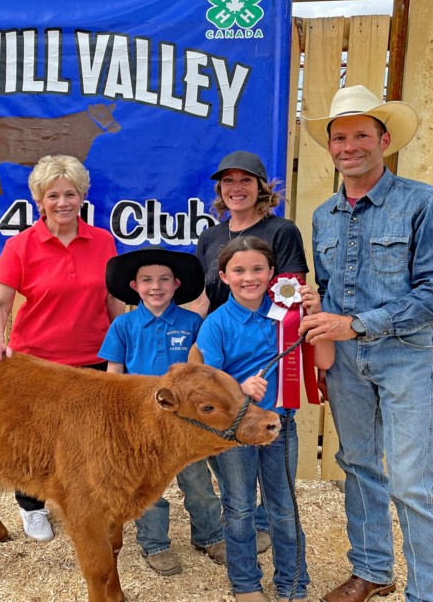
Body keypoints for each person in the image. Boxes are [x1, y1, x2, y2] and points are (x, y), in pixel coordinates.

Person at [299, 84, 433, 602]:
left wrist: (357, 324)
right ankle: (372, 570)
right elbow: (329, 290)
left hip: (403, 356)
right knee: (359, 466)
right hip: (345, 361)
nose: (350, 147)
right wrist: (316, 307)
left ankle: (430, 593)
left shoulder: (426, 204)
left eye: (361, 136)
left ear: (384, 140)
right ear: (330, 146)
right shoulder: (324, 216)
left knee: (413, 481)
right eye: (340, 137)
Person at [0, 154, 124, 542]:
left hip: (93, 360)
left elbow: (113, 302)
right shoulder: (20, 246)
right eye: (52, 195)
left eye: (70, 194)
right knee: (33, 441)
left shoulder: (104, 241)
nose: (62, 203)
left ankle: (89, 504)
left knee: (91, 439)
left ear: (83, 197)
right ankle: (32, 507)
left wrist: (125, 345)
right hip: (35, 362)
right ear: (39, 200)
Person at [193, 236, 335, 602]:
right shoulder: (216, 324)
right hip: (235, 433)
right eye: (238, 270)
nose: (249, 278)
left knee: (283, 507)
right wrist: (238, 387)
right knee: (239, 509)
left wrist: (317, 315)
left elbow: (325, 362)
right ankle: (246, 585)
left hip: (279, 427)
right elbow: (207, 389)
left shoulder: (290, 315)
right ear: (223, 276)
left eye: (258, 269)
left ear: (272, 273)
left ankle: (293, 585)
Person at [190, 150, 310, 555]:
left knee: (272, 467)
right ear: (219, 190)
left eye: (246, 180)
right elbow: (204, 298)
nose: (236, 188)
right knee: (228, 451)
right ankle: (245, 527)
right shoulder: (210, 237)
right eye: (228, 181)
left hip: (269, 360)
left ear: (262, 187)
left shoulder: (282, 230)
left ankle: (264, 532)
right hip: (225, 353)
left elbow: (291, 300)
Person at [98, 246, 226, 575]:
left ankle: (210, 536)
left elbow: (201, 372)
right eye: (147, 280)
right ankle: (155, 543)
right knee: (146, 486)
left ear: (177, 284)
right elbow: (114, 375)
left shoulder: (193, 322)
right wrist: (117, 418)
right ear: (134, 287)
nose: (156, 286)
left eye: (164, 279)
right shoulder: (124, 325)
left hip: (185, 423)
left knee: (197, 480)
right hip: (141, 422)